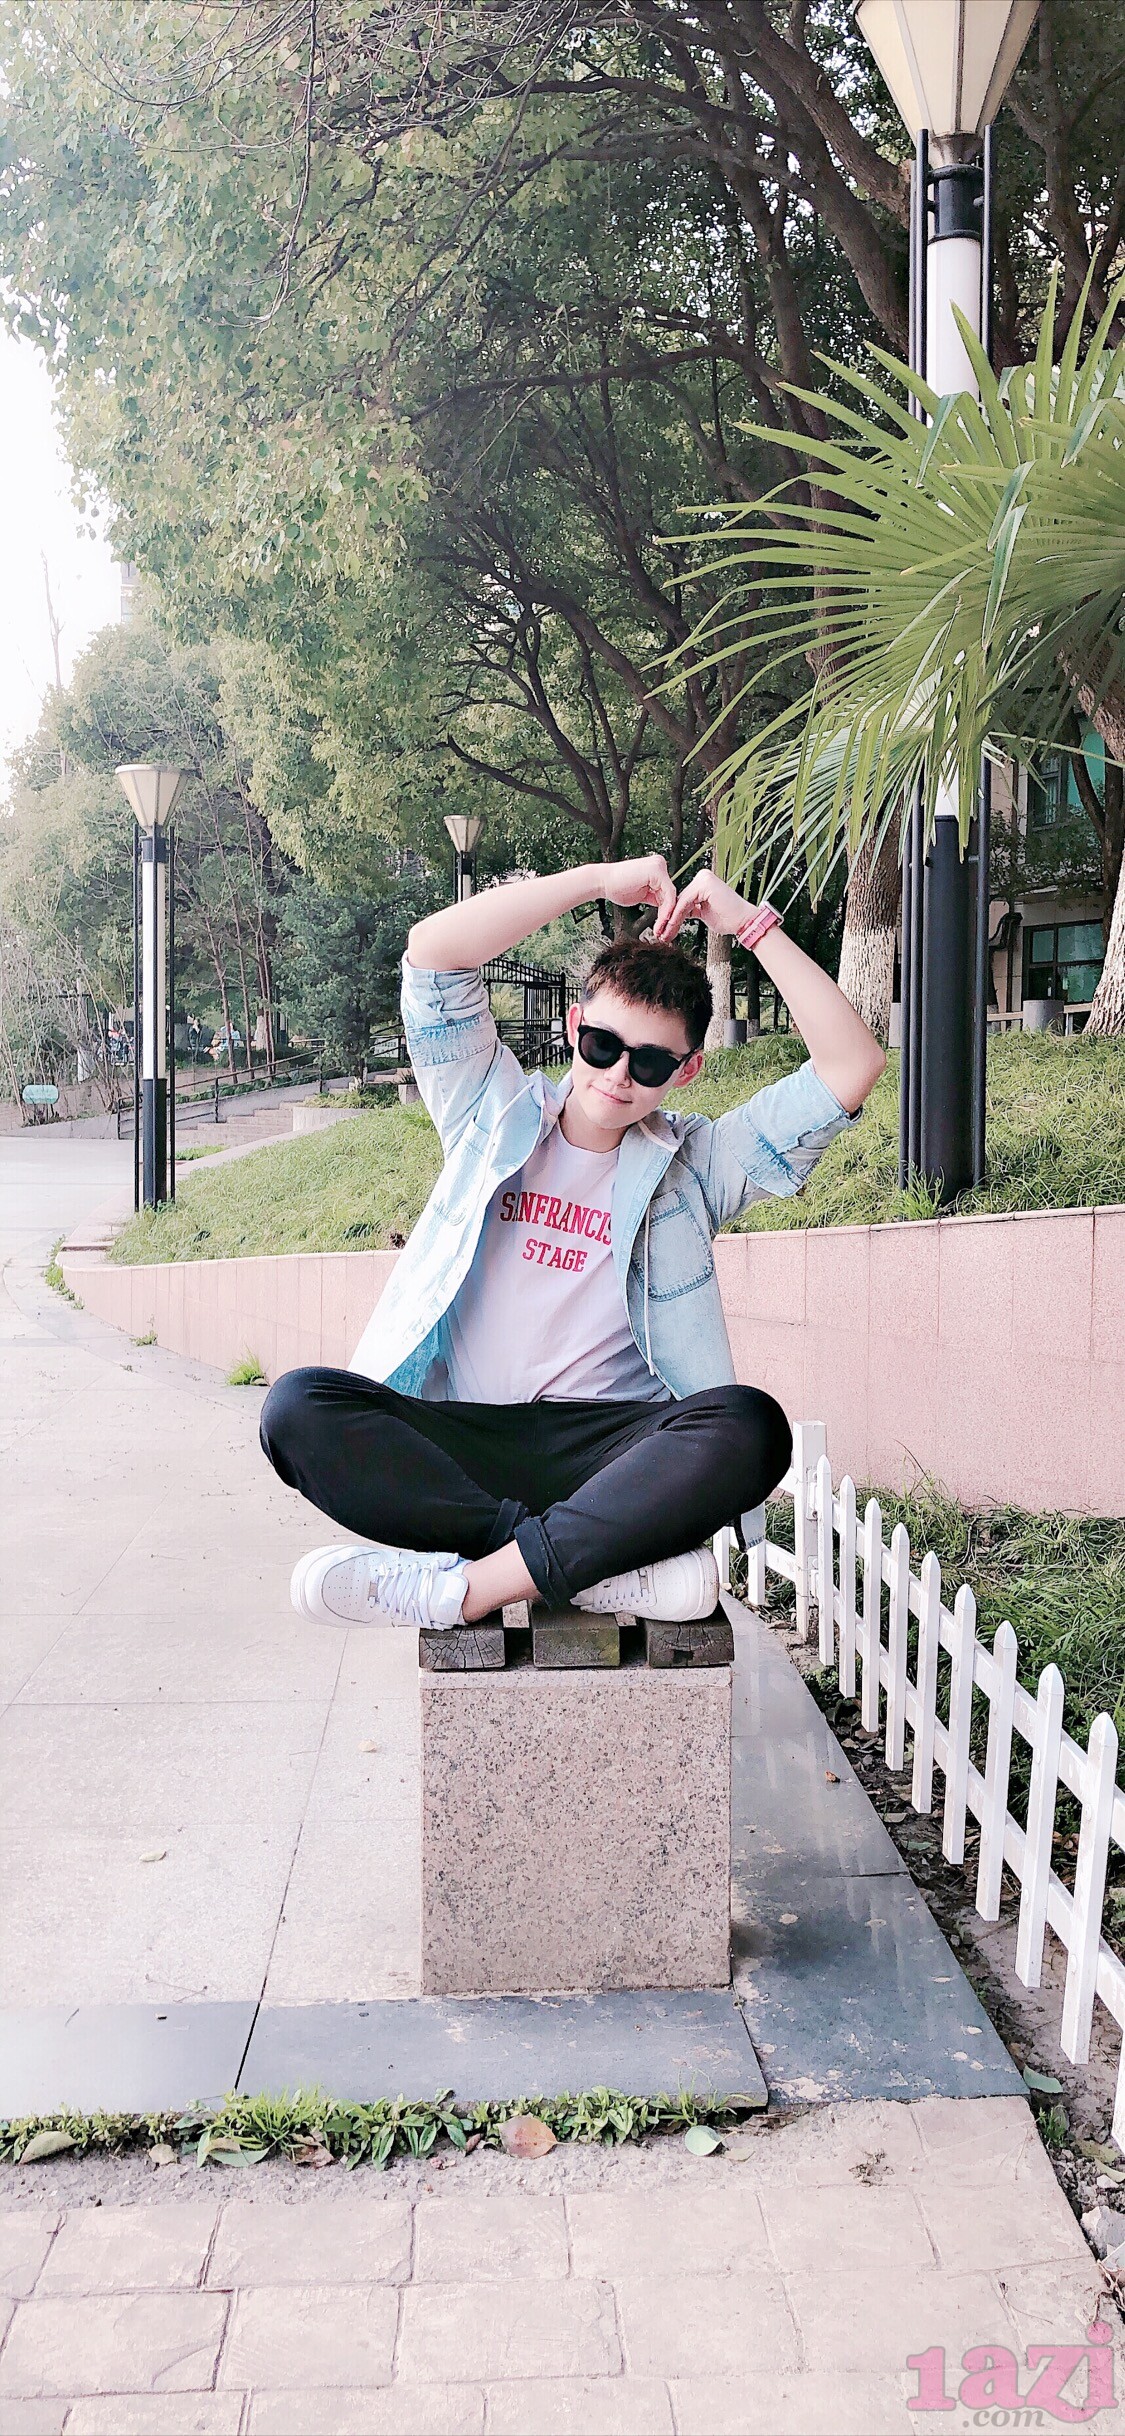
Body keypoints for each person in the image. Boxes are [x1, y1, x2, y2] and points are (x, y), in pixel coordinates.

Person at [261, 856, 885, 1633]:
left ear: (686, 1071)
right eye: (602, 1045)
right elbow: (433, 954)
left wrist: (748, 927)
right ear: (572, 1027)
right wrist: (596, 879)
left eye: (649, 1062)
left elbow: (851, 1066)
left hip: (610, 1453)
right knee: (297, 1409)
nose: (619, 1075)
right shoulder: (488, 1110)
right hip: (469, 1440)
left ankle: (469, 1586)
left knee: (749, 1427)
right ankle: (583, 1568)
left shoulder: (698, 1165)